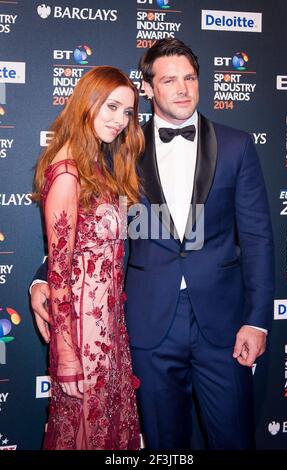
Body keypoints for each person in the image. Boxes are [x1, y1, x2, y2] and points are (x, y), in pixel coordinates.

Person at [30, 39, 274, 450]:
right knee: (162, 445)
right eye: (169, 80)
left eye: (190, 78)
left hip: (223, 327)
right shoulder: (119, 149)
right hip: (146, 326)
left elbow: (258, 237)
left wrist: (257, 319)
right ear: (147, 88)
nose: (183, 89)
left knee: (235, 439)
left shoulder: (237, 145)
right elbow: (81, 223)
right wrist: (41, 280)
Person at [31, 66, 144, 450]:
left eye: (128, 112)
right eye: (111, 107)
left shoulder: (98, 166)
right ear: (87, 103)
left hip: (108, 333)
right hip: (82, 339)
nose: (119, 120)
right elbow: (59, 275)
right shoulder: (67, 172)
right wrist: (65, 356)